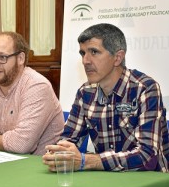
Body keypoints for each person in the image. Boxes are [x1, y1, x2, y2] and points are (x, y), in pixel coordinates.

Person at [43, 23, 169, 172]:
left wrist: (87, 161)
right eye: (83, 53)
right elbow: (67, 140)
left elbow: (147, 157)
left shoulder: (145, 89)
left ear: (117, 57)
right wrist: (60, 153)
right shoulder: (85, 92)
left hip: (149, 181)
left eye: (94, 52)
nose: (85, 61)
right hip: (105, 179)